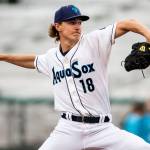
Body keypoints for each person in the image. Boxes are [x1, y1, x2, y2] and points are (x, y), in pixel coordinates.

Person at [0, 4, 150, 150]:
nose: (78, 26)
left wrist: (148, 36)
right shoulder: (51, 58)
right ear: (57, 26)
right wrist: (3, 57)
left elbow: (129, 24)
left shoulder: (94, 41)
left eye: (79, 22)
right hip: (68, 129)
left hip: (102, 129)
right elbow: (32, 61)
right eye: (72, 22)